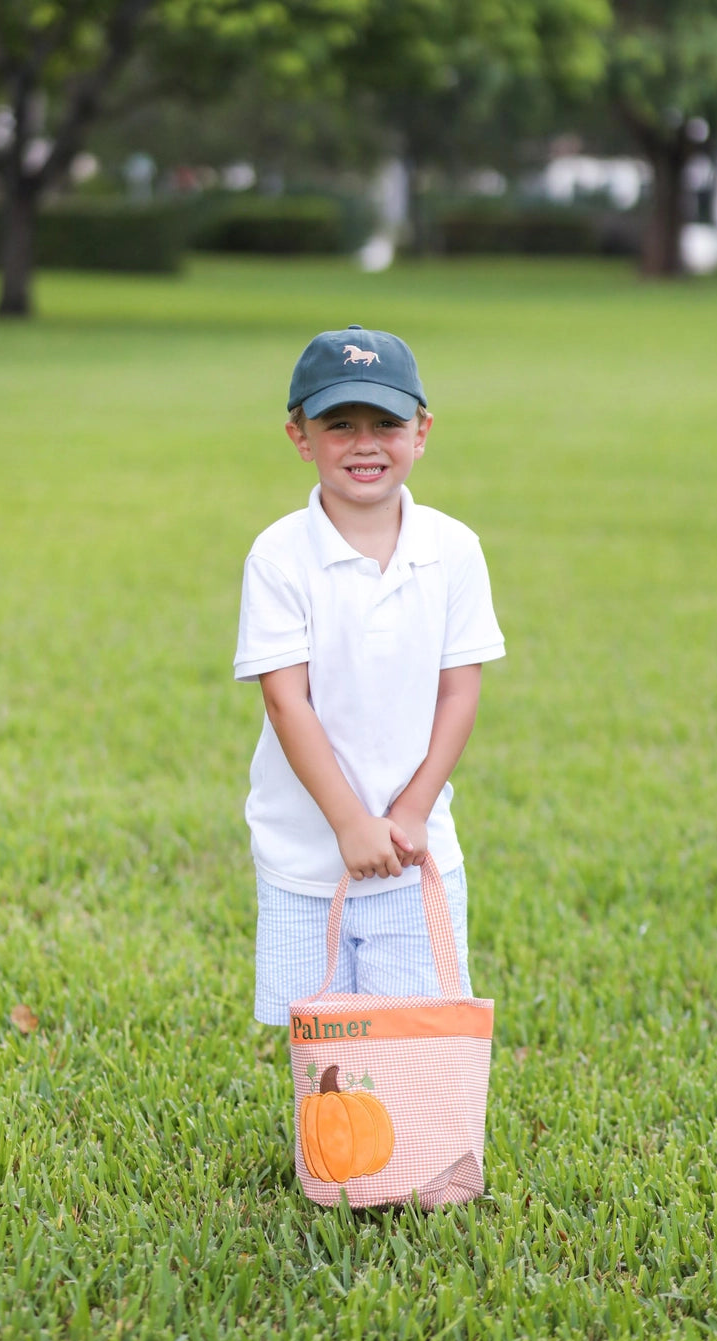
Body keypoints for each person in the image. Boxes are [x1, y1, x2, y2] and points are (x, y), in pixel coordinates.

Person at [234, 324, 505, 1025]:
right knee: (323, 1041)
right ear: (300, 435)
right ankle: (326, 1143)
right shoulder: (278, 556)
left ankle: (418, 1142)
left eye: (386, 423)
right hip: (305, 854)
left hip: (417, 854)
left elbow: (460, 690)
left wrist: (410, 810)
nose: (365, 443)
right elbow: (287, 702)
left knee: (413, 1033)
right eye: (340, 424)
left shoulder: (453, 549)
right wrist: (350, 823)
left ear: (422, 431)